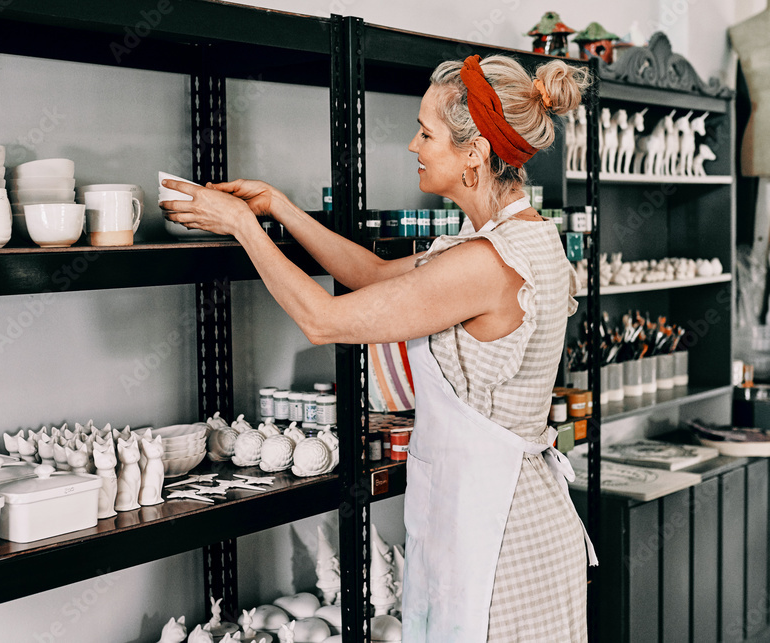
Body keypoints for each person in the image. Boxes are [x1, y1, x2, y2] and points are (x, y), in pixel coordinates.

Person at [161, 54, 594, 642]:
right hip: (502, 517)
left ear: (474, 154)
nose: (413, 144)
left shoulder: (483, 264)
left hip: (502, 540)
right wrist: (279, 208)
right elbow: (371, 274)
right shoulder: (517, 239)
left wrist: (242, 227)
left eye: (427, 132)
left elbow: (322, 319)